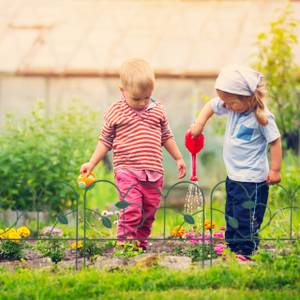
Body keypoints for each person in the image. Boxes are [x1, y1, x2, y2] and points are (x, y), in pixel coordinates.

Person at [80, 58, 186, 250]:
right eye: (136, 99)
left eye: (146, 98)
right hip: (127, 170)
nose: (142, 103)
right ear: (122, 90)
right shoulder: (116, 111)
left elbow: (166, 136)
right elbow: (105, 140)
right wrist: (92, 162)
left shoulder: (157, 111)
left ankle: (140, 243)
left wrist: (178, 157)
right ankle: (125, 244)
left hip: (154, 172)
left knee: (149, 211)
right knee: (132, 209)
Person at [190, 65, 282, 259]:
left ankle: (245, 251)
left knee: (246, 216)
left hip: (252, 179)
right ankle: (233, 246)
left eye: (231, 102)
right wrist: (199, 125)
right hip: (234, 175)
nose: (226, 106)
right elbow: (210, 106)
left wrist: (275, 170)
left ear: (248, 97)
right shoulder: (232, 105)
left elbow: (275, 141)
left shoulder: (263, 117)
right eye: (225, 102)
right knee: (232, 212)